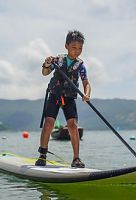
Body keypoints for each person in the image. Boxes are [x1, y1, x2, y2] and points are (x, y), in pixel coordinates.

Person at [35, 30, 91, 168]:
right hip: (55, 95)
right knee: (49, 123)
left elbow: (86, 83)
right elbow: (45, 73)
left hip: (70, 97)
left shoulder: (81, 66)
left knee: (72, 125)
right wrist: (47, 64)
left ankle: (76, 158)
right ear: (66, 46)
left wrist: (87, 94)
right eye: (74, 47)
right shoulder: (57, 60)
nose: (77, 51)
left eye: (80, 49)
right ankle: (42, 155)